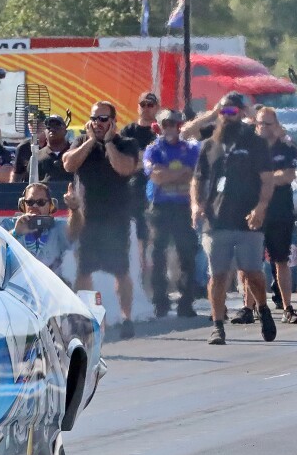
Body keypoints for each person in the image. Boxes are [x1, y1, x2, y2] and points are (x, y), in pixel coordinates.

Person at [192, 99, 277, 345]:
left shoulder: (255, 142)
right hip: (216, 221)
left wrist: (260, 207)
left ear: (241, 113)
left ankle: (263, 308)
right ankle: (218, 325)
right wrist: (196, 205)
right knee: (217, 275)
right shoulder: (210, 145)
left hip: (247, 220)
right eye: (223, 111)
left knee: (252, 273)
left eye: (232, 111)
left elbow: (268, 179)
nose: (227, 115)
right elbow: (198, 180)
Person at [63, 100, 141, 338]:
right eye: (94, 119)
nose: (98, 124)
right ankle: (88, 317)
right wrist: (89, 141)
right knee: (84, 270)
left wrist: (107, 142)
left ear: (113, 121)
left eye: (103, 119)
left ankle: (126, 317)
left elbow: (124, 168)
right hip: (87, 219)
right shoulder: (82, 143)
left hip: (116, 218)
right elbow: (68, 164)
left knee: (120, 270)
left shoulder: (126, 143)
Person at [142, 109, 201, 318]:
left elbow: (195, 175)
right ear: (159, 127)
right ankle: (161, 302)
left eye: (173, 124)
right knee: (159, 255)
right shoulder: (153, 149)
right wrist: (180, 173)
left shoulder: (190, 148)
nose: (169, 128)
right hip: (160, 208)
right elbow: (156, 176)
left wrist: (171, 174)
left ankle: (186, 302)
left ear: (179, 126)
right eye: (165, 124)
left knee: (187, 254)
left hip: (184, 208)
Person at [255, 106, 297, 323]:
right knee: (251, 262)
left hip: (280, 211)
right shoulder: (250, 148)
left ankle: (287, 307)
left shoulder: (286, 147)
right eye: (260, 123)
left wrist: (265, 179)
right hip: (255, 211)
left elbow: (288, 175)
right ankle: (250, 307)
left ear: (276, 125)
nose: (263, 128)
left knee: (281, 260)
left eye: (268, 123)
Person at [4, 182, 83, 277]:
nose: (35, 206)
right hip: (17, 287)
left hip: (50, 287)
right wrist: (15, 233)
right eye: (30, 202)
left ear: (51, 205)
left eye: (41, 202)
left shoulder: (57, 227)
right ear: (22, 205)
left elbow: (75, 230)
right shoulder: (9, 225)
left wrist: (74, 209)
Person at [121, 92, 161, 275]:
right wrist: (147, 160)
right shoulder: (129, 131)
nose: (146, 108)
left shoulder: (162, 130)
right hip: (135, 188)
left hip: (160, 188)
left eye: (150, 104)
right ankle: (140, 270)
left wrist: (142, 159)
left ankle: (155, 272)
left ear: (156, 107)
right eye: (143, 104)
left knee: (156, 231)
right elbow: (125, 163)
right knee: (138, 231)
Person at [13, 114, 72, 183]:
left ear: (65, 131)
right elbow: (27, 184)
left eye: (57, 126)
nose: (52, 129)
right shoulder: (36, 157)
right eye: (49, 127)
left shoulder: (75, 152)